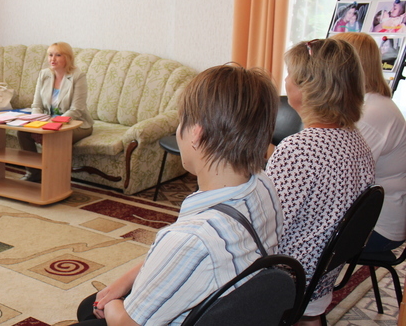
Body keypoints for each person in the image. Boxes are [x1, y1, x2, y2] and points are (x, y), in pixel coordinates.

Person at [73, 64, 282, 326]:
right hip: (233, 304)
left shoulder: (191, 238)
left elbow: (128, 323)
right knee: (88, 307)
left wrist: (114, 305)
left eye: (181, 122)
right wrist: (125, 281)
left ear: (196, 133)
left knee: (94, 311)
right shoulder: (263, 185)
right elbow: (180, 263)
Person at [266, 38, 375, 325]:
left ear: (309, 88)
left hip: (285, 279)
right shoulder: (357, 142)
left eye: (290, 75)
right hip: (322, 279)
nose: (285, 81)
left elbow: (266, 225)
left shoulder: (299, 150)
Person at [333, 32, 406, 260]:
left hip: (379, 228)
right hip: (374, 217)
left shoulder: (370, 114)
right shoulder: (370, 104)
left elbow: (343, 178)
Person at [18, 42, 93, 182]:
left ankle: (55, 179)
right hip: (47, 121)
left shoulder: (78, 76)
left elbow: (76, 109)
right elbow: (37, 105)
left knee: (55, 136)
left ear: (68, 58)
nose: (52, 59)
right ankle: (34, 173)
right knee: (23, 132)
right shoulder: (44, 74)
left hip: (76, 123)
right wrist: (37, 123)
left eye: (58, 55)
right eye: (50, 55)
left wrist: (53, 124)